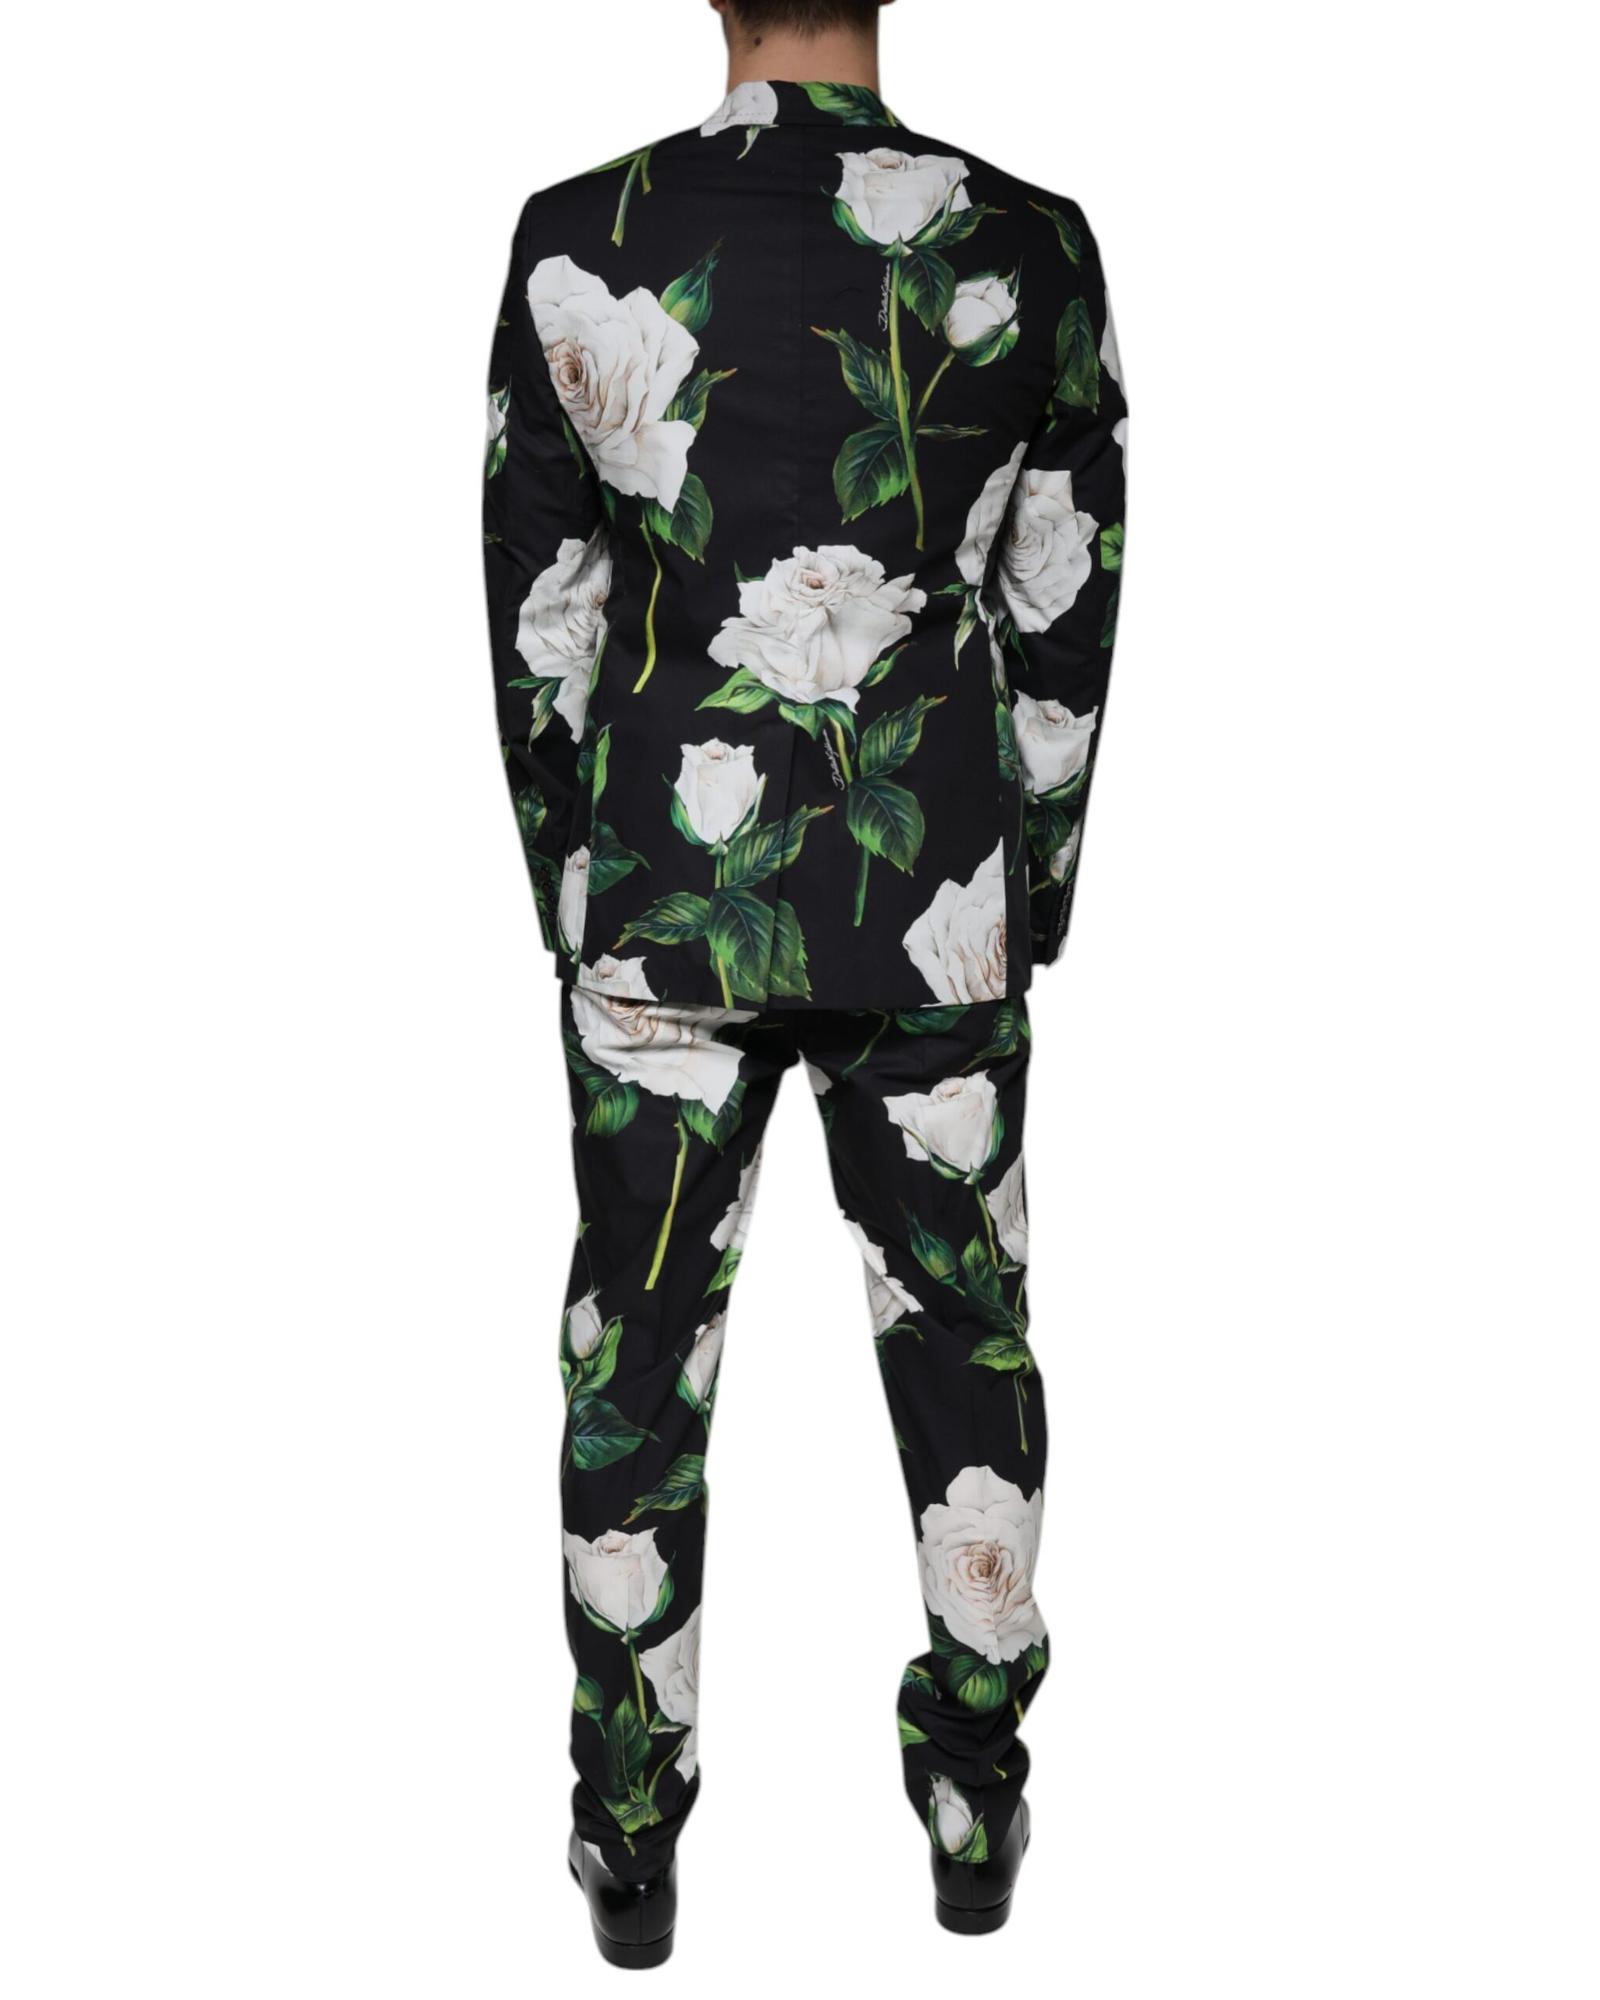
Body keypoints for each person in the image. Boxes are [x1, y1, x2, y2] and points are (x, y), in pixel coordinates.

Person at [482, 0, 1127, 1965]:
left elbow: (541, 615)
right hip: (931, 902)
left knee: (636, 1370)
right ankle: (974, 1801)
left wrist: (575, 883)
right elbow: (1064, 607)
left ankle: (627, 1832)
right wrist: (1028, 885)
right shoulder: (1029, 245)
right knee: (965, 1350)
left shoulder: (578, 236)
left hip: (663, 897)